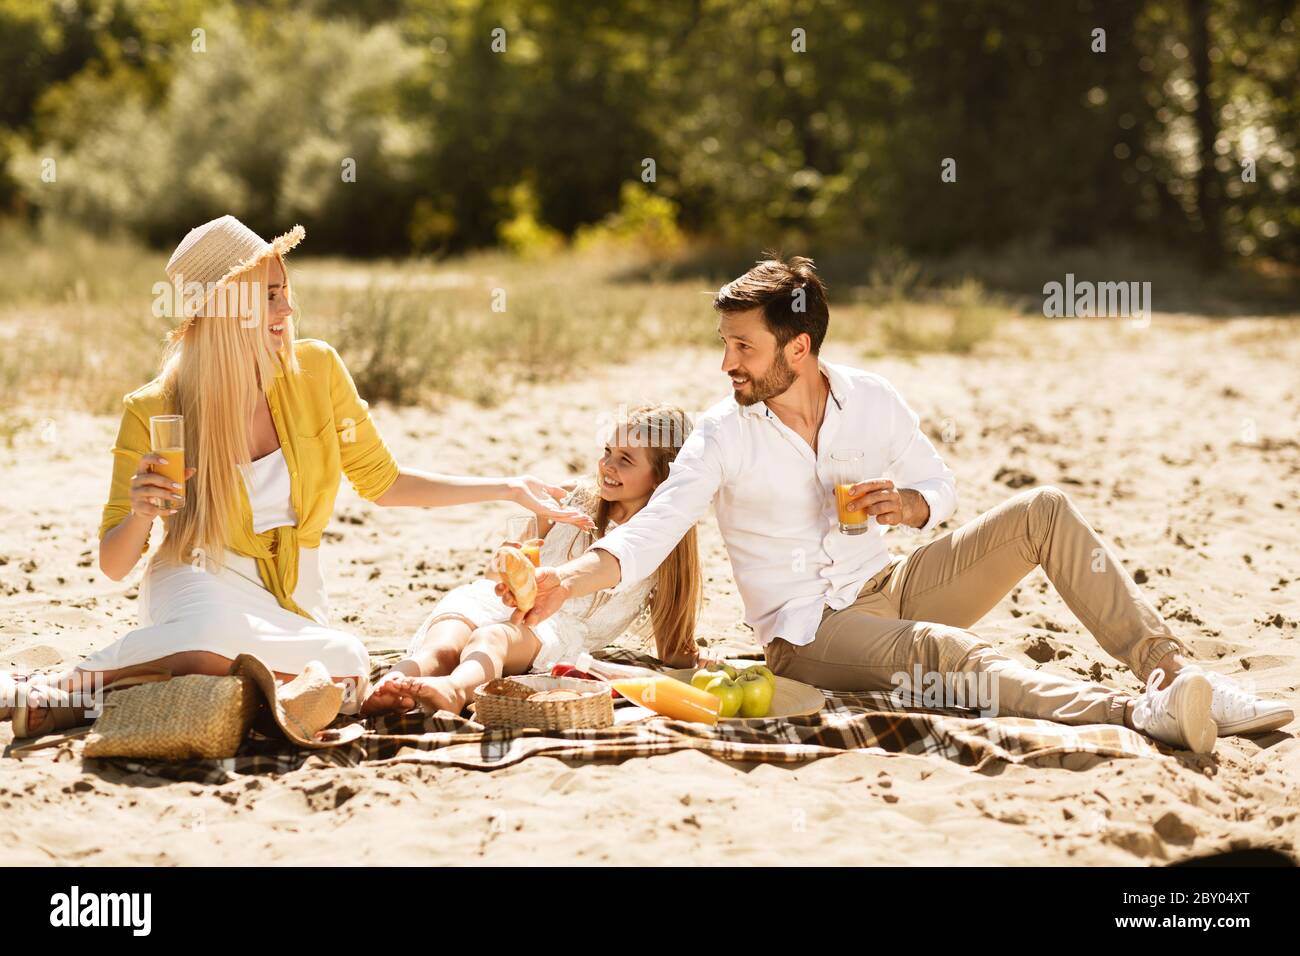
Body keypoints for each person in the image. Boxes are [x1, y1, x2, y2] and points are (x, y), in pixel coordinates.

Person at [499, 254, 1294, 754]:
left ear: (799, 348)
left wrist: (911, 508)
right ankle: (1133, 711)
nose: (727, 363)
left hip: (892, 586)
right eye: (725, 344)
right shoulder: (721, 435)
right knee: (953, 655)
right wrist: (571, 581)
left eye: (743, 346)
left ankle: (1173, 673)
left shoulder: (871, 399)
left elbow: (939, 484)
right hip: (811, 632)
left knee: (1044, 509)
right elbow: (657, 528)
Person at [1, 215, 592, 738]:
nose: (288, 311)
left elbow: (385, 484)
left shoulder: (317, 371)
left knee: (349, 662)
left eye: (286, 292)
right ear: (226, 309)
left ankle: (130, 690)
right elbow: (113, 563)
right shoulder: (155, 408)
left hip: (291, 597)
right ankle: (65, 683)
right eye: (271, 297)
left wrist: (505, 486)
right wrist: (142, 513)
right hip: (196, 578)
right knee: (209, 629)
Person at [362, 403, 703, 716]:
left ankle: (453, 690)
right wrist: (508, 561)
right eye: (607, 452)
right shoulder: (569, 499)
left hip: (550, 630)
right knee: (445, 642)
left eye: (625, 459)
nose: (607, 466)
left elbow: (674, 646)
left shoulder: (660, 549)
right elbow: (496, 570)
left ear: (661, 475)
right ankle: (391, 685)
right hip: (497, 601)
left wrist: (701, 663)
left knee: (492, 639)